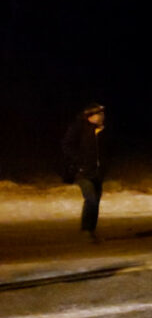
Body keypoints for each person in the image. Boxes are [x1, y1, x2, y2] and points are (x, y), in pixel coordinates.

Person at [61, 102, 107, 242]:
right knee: (91, 198)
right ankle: (86, 230)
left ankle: (91, 230)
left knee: (96, 200)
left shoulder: (102, 130)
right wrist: (79, 161)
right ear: (90, 116)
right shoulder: (78, 128)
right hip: (82, 171)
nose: (102, 116)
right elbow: (67, 145)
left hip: (97, 171)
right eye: (99, 114)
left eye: (102, 113)